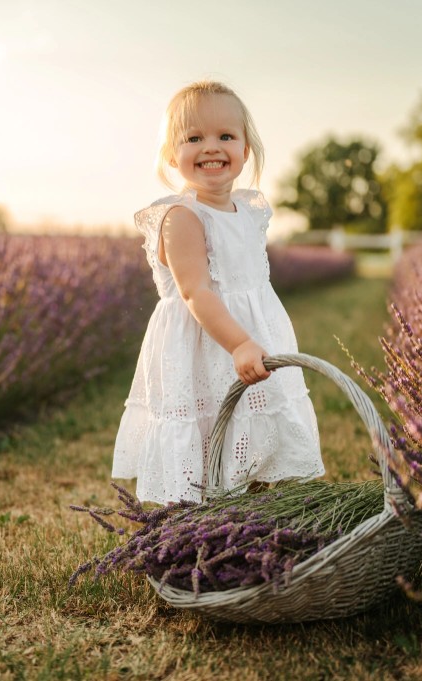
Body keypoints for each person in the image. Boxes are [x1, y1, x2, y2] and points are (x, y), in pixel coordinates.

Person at [112, 80, 324, 503]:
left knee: (259, 428)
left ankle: (256, 509)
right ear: (173, 155)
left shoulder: (248, 212)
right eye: (194, 138)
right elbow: (196, 293)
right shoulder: (182, 217)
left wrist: (254, 338)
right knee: (209, 430)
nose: (211, 147)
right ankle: (200, 518)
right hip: (205, 344)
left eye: (225, 136)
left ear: (245, 150)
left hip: (250, 336)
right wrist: (240, 343)